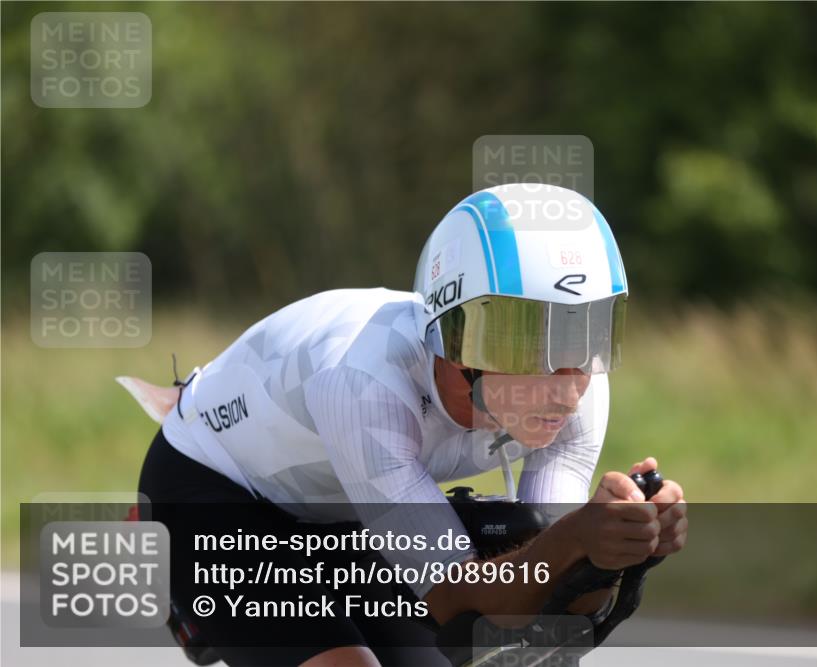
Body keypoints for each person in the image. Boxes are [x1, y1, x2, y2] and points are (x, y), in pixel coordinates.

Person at [130, 183, 687, 667]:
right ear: (458, 336)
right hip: (215, 491)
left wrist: (619, 549)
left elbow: (541, 612)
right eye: (529, 342)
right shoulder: (363, 382)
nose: (568, 387)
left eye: (585, 333)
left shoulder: (581, 387)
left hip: (339, 505)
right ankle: (185, 585)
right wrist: (576, 536)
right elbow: (456, 599)